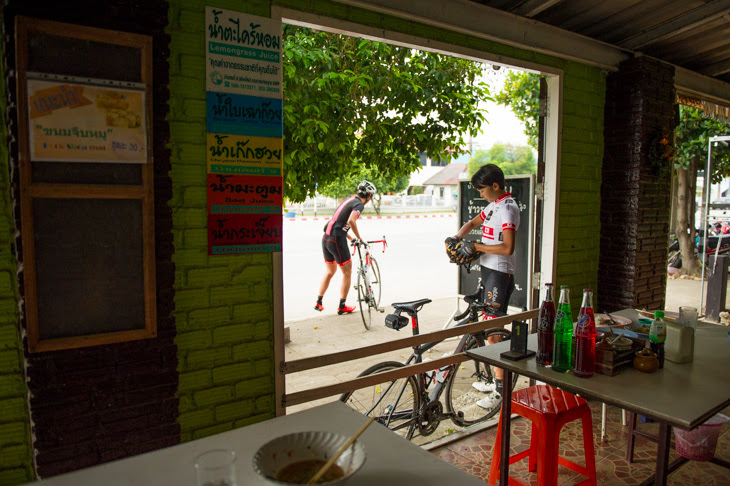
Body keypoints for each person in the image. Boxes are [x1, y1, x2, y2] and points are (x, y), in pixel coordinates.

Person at [449, 164, 520, 410]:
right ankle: (495, 381)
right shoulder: (493, 206)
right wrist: (456, 238)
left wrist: (476, 247)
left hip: (500, 273)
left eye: (481, 189)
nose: (479, 193)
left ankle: (501, 392)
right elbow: (471, 223)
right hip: (489, 271)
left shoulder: (508, 209)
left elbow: (508, 248)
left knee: (494, 334)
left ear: (495, 186)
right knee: (487, 329)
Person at [315, 180, 377, 315]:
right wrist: (360, 239)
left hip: (326, 238)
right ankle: (342, 306)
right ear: (369, 195)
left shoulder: (349, 200)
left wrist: (351, 238)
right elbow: (351, 221)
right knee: (347, 273)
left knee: (330, 271)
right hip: (337, 240)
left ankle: (319, 301)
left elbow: (339, 223)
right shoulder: (359, 204)